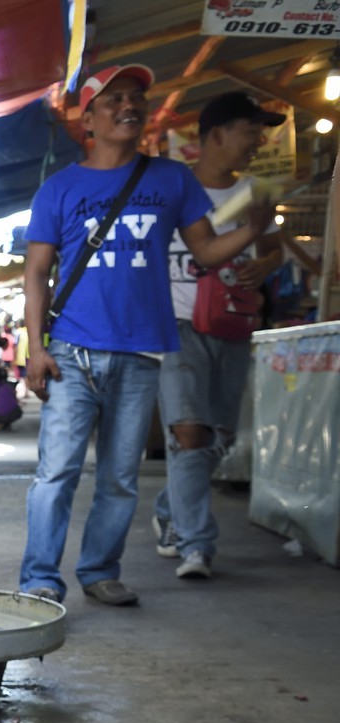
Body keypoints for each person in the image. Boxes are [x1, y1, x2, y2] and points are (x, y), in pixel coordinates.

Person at [18, 65, 271, 606]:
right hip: (71, 351)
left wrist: (254, 229)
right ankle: (40, 577)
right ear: (88, 118)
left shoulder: (171, 179)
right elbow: (36, 273)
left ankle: (99, 571)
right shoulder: (59, 188)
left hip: (141, 352)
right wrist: (35, 349)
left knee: (120, 476)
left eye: (136, 98)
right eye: (114, 100)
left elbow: (204, 252)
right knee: (56, 472)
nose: (129, 106)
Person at [155, 92, 285, 580]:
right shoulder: (170, 186)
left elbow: (275, 251)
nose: (259, 140)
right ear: (217, 134)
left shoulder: (257, 191)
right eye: (251, 129)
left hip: (232, 324)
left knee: (219, 438)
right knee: (190, 432)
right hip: (177, 324)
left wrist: (264, 264)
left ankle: (171, 510)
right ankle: (196, 545)